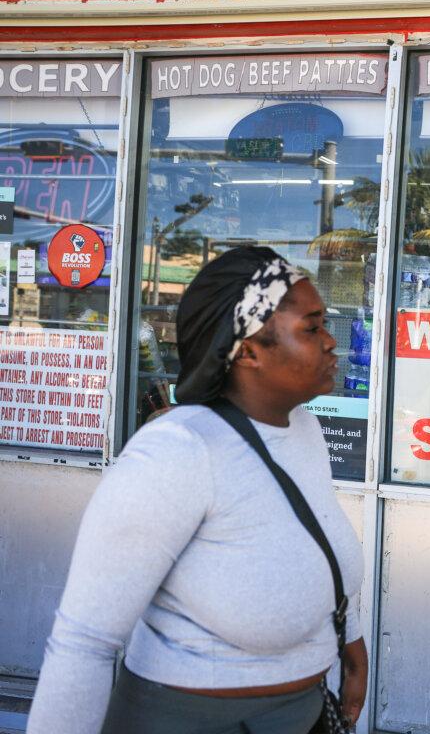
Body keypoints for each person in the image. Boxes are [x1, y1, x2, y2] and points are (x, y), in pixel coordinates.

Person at [27, 246, 368, 734]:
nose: (332, 342)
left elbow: (321, 546)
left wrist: (351, 647)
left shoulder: (305, 431)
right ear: (247, 350)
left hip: (305, 710)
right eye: (312, 328)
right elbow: (84, 642)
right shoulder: (179, 451)